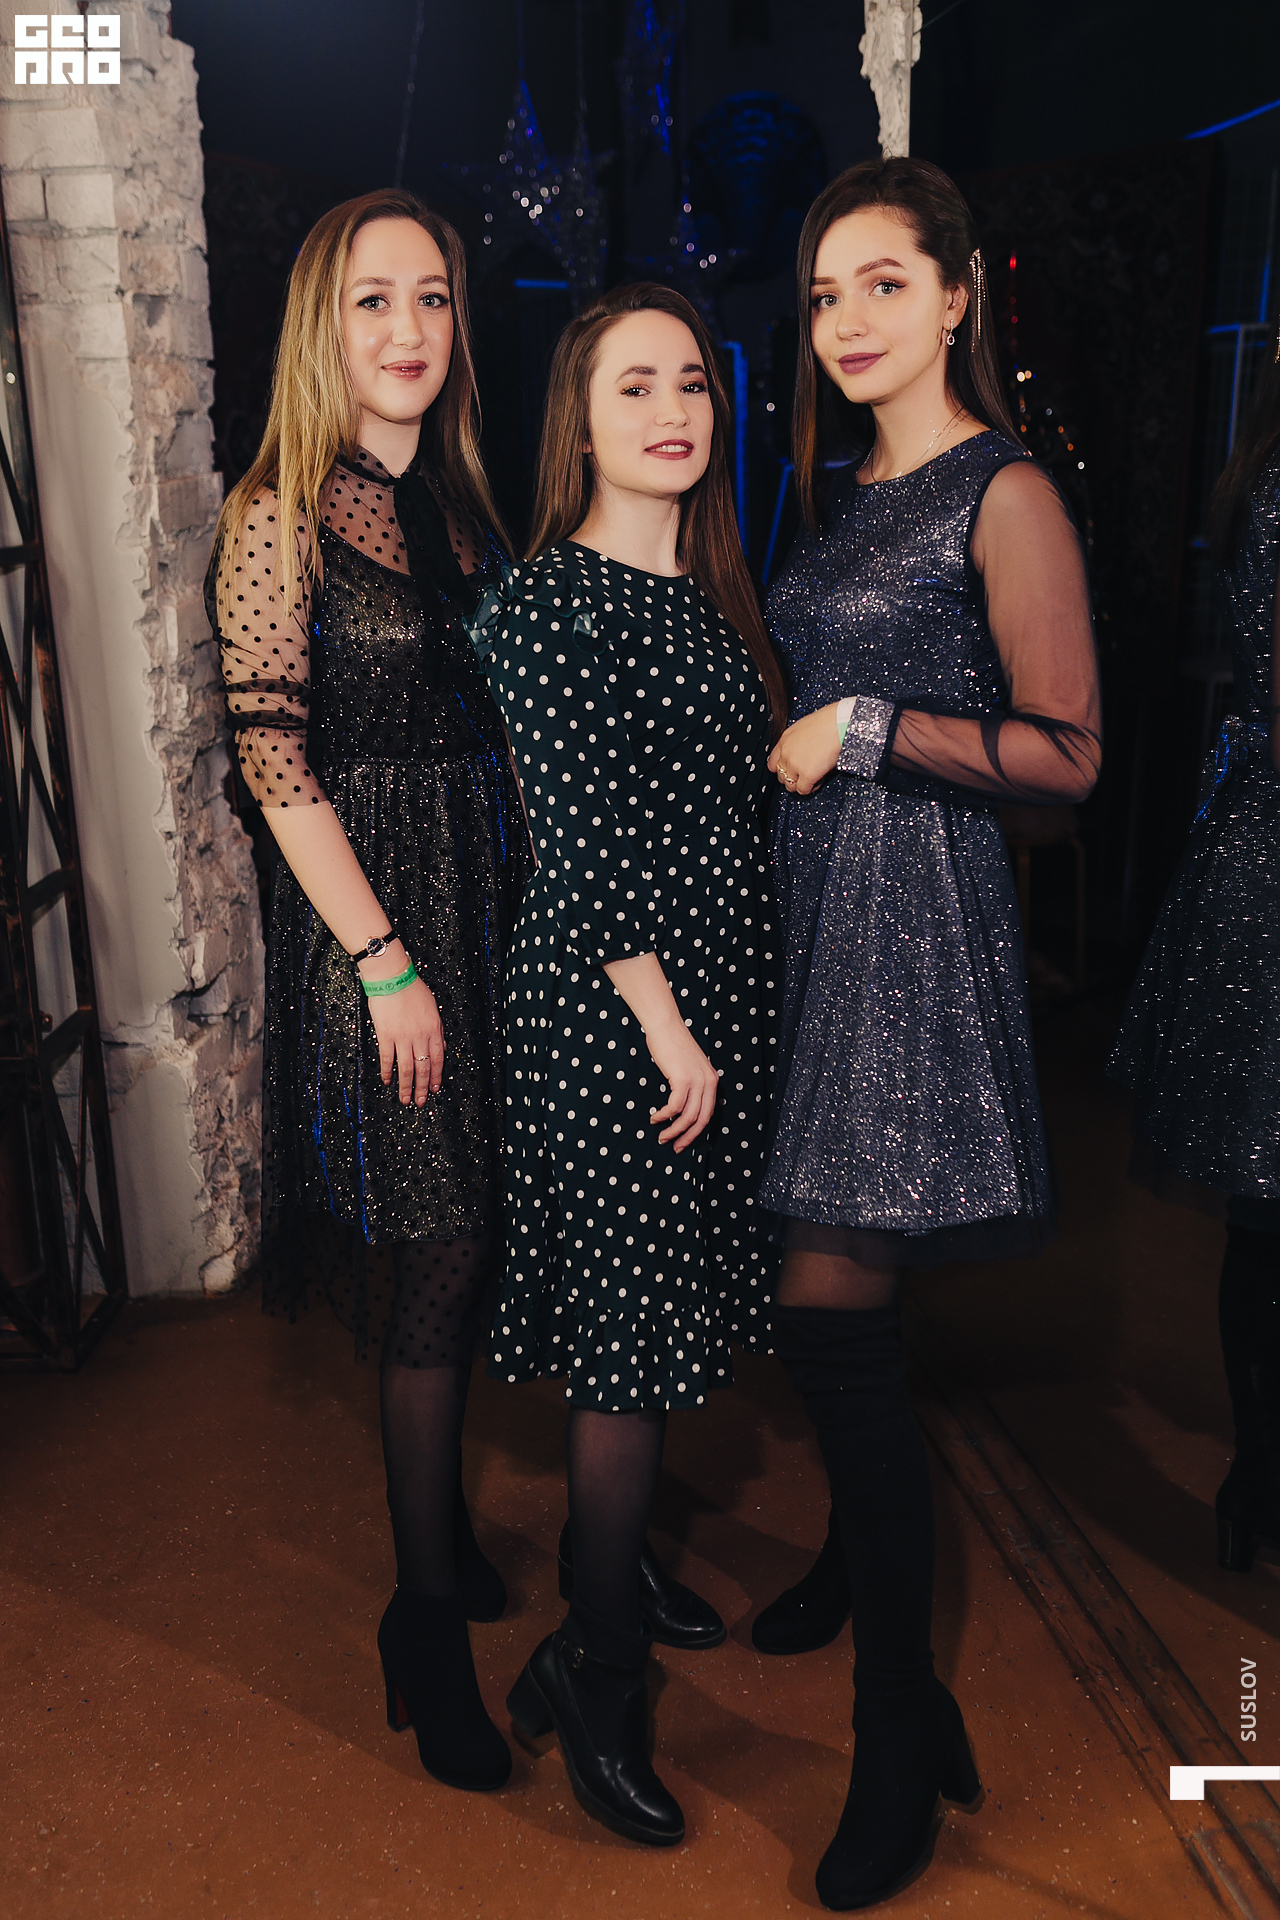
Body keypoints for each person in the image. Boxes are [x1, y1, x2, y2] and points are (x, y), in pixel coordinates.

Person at [758, 157, 1100, 1909]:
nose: (848, 320)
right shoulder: (845, 491)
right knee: (835, 1321)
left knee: (831, 1321)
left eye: (883, 283)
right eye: (825, 294)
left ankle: (901, 1726)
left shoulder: (1005, 491)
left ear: (959, 296)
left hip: (910, 934)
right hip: (818, 918)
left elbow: (1068, 758)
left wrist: (870, 727)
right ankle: (866, 1589)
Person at [210, 190, 531, 1794]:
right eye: (371, 302)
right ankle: (425, 1624)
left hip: (480, 907)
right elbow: (274, 764)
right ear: (320, 330)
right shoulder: (276, 509)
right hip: (375, 930)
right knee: (442, 1247)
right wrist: (387, 960)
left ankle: (444, 1538)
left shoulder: (463, 505)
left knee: (470, 1242)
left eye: (433, 298)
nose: (408, 330)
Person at [466, 283, 786, 1846]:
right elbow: (583, 846)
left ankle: (612, 1585)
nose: (671, 411)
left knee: (663, 1322)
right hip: (615, 1014)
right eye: (633, 387)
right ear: (579, 426)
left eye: (691, 384)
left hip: (707, 997)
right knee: (631, 1345)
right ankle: (592, 1673)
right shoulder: (543, 603)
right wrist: (666, 1026)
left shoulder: (712, 590)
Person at [1108, 353, 1280, 1577]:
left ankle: (1254, 1483)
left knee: (1264, 1213)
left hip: (1252, 859)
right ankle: (1260, 1478)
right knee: (1266, 1211)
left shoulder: (1258, 476)